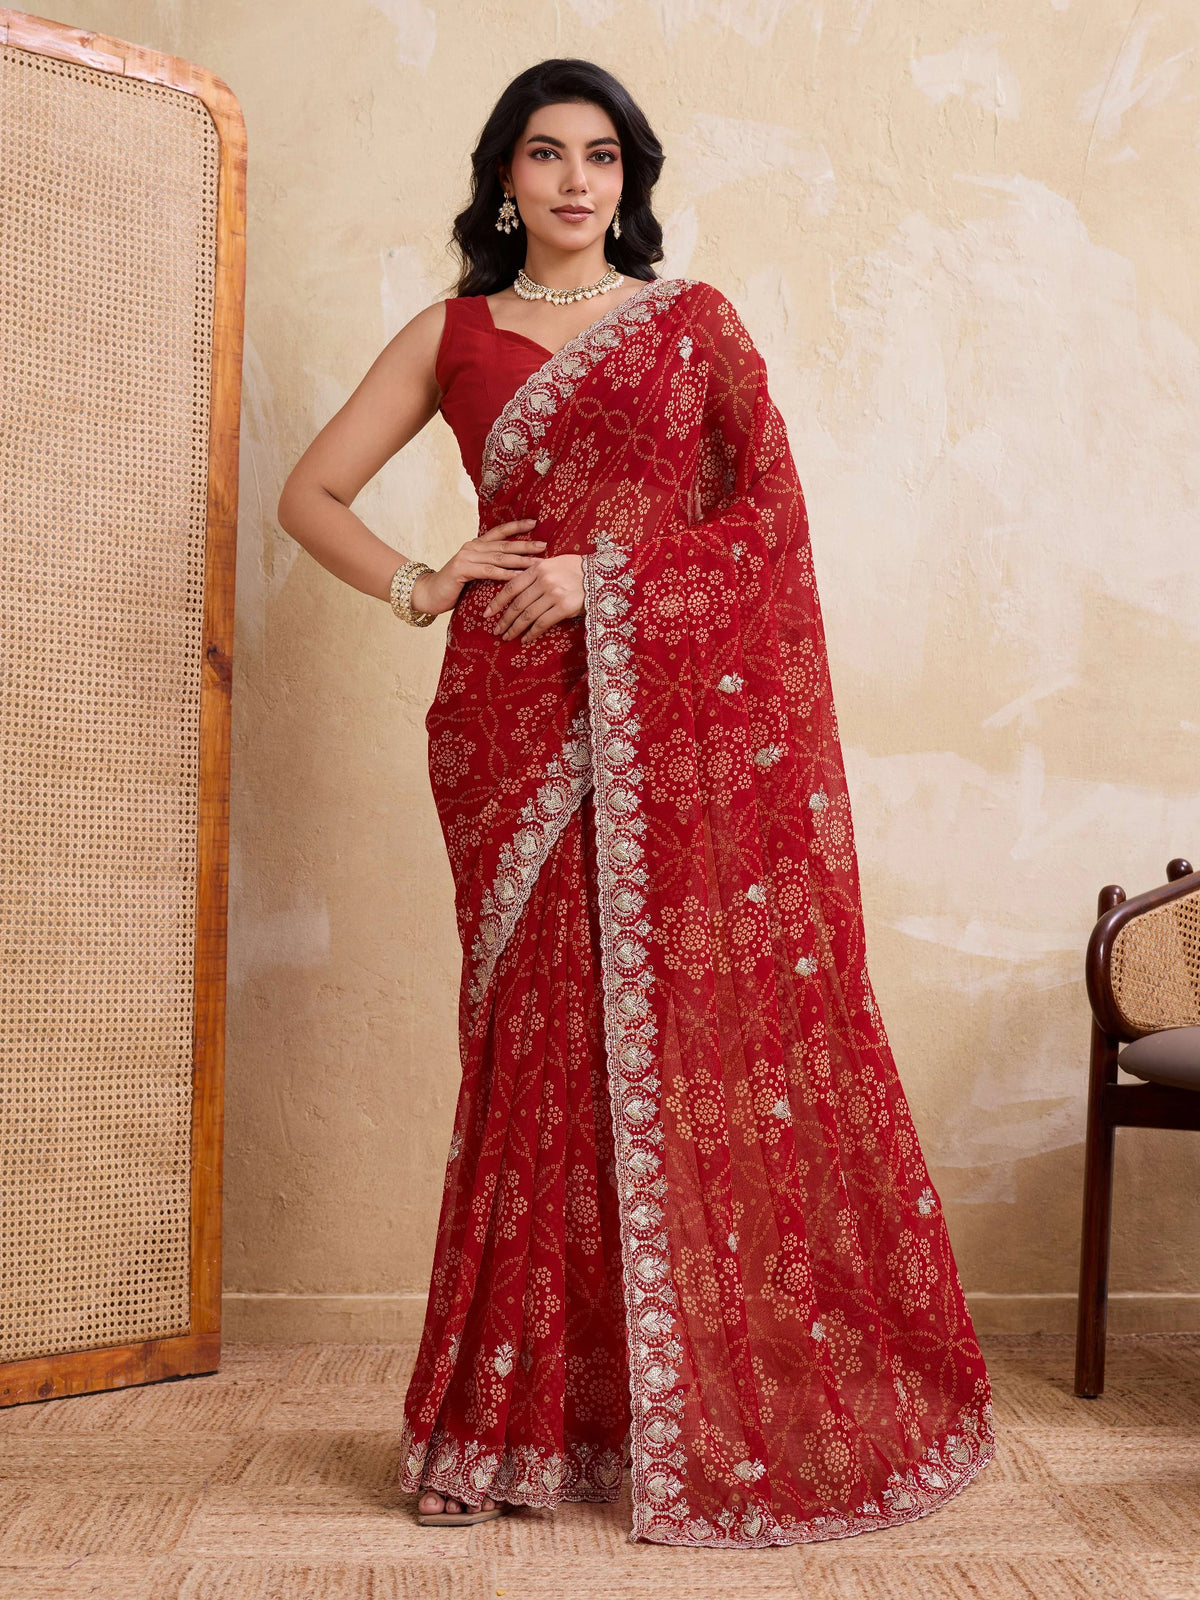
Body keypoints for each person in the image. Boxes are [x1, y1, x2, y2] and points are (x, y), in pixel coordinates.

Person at [277, 57, 996, 1549]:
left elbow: (769, 529)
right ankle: (506, 1420)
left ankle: (645, 1410)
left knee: (672, 1038)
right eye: (546, 154)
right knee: (537, 1051)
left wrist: (609, 579)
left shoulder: (691, 330)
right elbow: (311, 494)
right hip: (512, 728)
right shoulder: (453, 333)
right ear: (503, 176)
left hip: (673, 725)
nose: (575, 182)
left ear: (633, 179)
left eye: (602, 156)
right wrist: (427, 582)